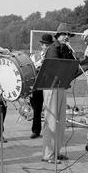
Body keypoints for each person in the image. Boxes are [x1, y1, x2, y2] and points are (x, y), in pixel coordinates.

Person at [42, 23, 74, 163]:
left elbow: (73, 65)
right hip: (51, 87)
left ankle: (57, 151)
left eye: (68, 35)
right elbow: (55, 67)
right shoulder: (53, 48)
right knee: (51, 120)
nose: (66, 37)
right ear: (58, 36)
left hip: (62, 86)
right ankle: (48, 154)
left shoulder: (66, 48)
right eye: (64, 34)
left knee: (61, 121)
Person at [29, 33, 54, 139]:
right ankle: (36, 130)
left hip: (49, 84)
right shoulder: (35, 56)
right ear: (42, 46)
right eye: (45, 45)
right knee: (37, 108)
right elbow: (32, 67)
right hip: (38, 84)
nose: (47, 47)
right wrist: (41, 62)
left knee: (50, 109)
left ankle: (49, 131)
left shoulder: (53, 55)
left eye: (49, 45)